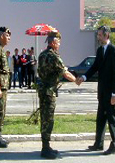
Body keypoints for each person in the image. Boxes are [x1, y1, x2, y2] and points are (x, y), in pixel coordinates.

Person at [77, 26, 115, 155]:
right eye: (98, 35)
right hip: (101, 92)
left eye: (100, 35)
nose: (98, 37)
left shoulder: (113, 50)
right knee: (101, 118)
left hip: (110, 92)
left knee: (112, 119)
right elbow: (95, 67)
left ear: (106, 35)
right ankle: (99, 143)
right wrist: (83, 77)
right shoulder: (100, 50)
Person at [38, 30, 78, 159]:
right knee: (48, 119)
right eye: (58, 42)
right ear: (54, 42)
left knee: (44, 118)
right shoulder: (54, 56)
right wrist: (77, 80)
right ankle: (45, 149)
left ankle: (46, 146)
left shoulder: (42, 55)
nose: (59, 44)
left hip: (43, 90)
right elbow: (65, 73)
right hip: (49, 92)